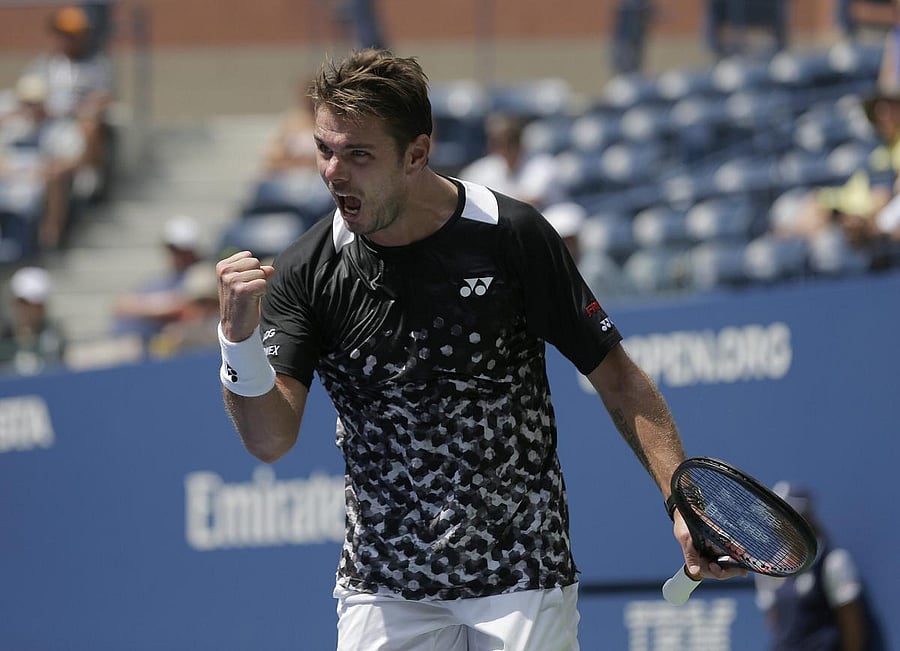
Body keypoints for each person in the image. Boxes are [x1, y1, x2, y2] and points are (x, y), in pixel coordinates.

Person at [215, 48, 742, 650]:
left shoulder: (511, 236)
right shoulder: (309, 270)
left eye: (359, 154)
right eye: (325, 149)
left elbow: (618, 378)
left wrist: (682, 500)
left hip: (522, 576)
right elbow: (268, 438)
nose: (334, 172)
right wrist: (238, 342)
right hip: (384, 589)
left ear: (417, 153)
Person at [754, 482, 884, 651]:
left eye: (788, 517)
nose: (780, 525)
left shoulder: (834, 562)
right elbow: (777, 623)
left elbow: (852, 624)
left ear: (807, 519)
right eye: (777, 518)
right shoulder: (769, 569)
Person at [23, 5, 115, 201]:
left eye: (73, 35)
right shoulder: (45, 64)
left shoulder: (95, 65)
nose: (67, 40)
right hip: (47, 122)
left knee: (90, 123)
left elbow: (104, 97)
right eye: (63, 34)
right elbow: (28, 92)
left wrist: (83, 108)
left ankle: (87, 173)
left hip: (77, 123)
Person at [0, 74, 87, 251]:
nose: (30, 108)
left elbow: (75, 161)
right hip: (11, 182)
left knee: (53, 185)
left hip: (43, 184)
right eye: (26, 102)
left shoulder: (61, 128)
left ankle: (49, 237)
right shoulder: (12, 126)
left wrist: (45, 171)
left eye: (34, 102)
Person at [112, 215, 203, 348]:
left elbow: (187, 309)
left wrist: (146, 307)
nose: (177, 254)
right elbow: (122, 305)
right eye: (172, 248)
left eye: (182, 249)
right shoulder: (161, 280)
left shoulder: (202, 273)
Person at [457, 111, 564, 210]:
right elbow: (465, 200)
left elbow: (528, 205)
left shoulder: (543, 165)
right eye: (496, 143)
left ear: (519, 143)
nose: (503, 148)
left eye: (509, 141)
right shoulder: (482, 169)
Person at [0, 266, 66, 375]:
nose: (26, 310)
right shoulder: (4, 336)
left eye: (33, 305)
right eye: (22, 303)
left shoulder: (53, 338)